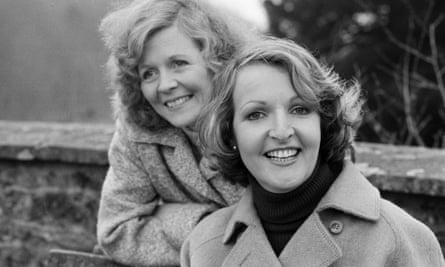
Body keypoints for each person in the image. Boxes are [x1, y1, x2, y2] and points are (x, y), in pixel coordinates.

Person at [181, 38, 445, 266]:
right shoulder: (203, 246)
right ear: (231, 134)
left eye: (299, 109)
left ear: (324, 121)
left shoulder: (399, 238)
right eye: (256, 114)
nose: (281, 131)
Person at [96, 0, 260, 266]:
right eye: (149, 73)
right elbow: (116, 231)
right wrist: (205, 224)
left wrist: (165, 217)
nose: (165, 85)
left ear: (216, 62)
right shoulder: (138, 129)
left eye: (179, 63)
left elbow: (279, 229)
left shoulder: (260, 114)